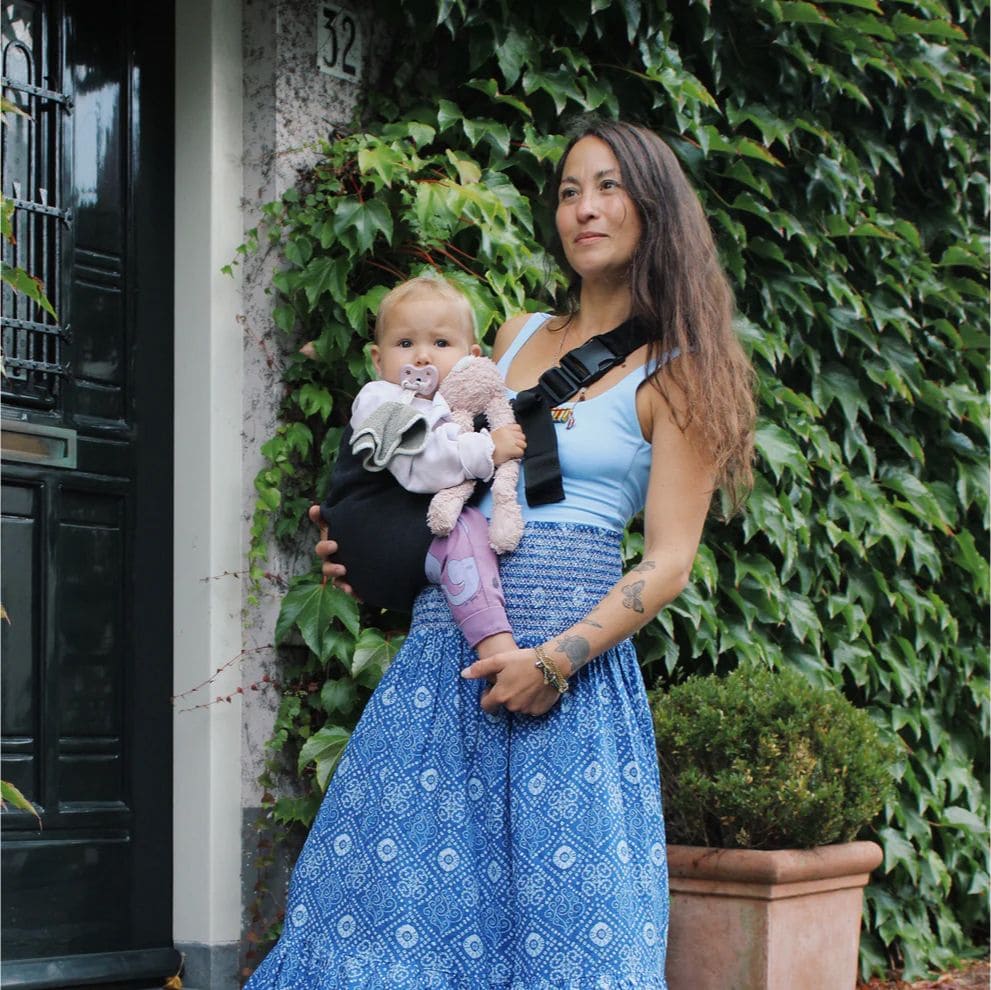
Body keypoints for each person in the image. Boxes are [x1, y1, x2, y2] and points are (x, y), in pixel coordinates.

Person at [248, 118, 755, 989]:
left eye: (606, 188)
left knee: (565, 946)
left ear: (654, 207)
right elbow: (430, 470)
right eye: (567, 191)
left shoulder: (682, 370)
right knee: (379, 923)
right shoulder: (511, 336)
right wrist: (371, 544)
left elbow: (667, 563)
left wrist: (553, 663)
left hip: (567, 683)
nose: (583, 209)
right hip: (445, 667)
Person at [319, 273, 526, 659]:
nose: (422, 356)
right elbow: (424, 469)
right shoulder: (384, 402)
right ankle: (496, 649)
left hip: (398, 542)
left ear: (473, 359)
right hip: (370, 535)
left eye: (441, 343)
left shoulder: (454, 410)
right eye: (405, 343)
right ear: (378, 360)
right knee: (464, 533)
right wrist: (488, 451)